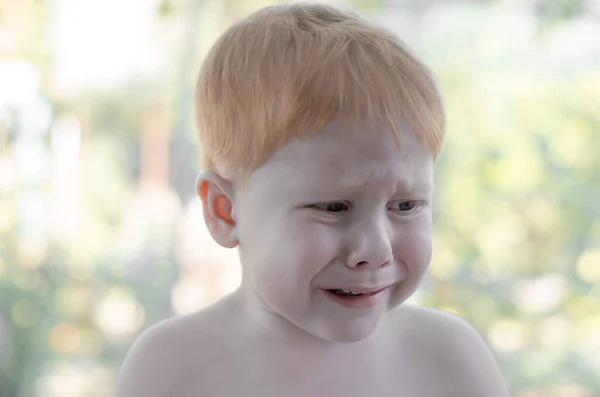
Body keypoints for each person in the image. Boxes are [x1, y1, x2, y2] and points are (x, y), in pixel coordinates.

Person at [116, 3, 510, 396]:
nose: (375, 250)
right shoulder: (173, 368)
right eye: (334, 207)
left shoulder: (449, 357)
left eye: (405, 206)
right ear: (225, 210)